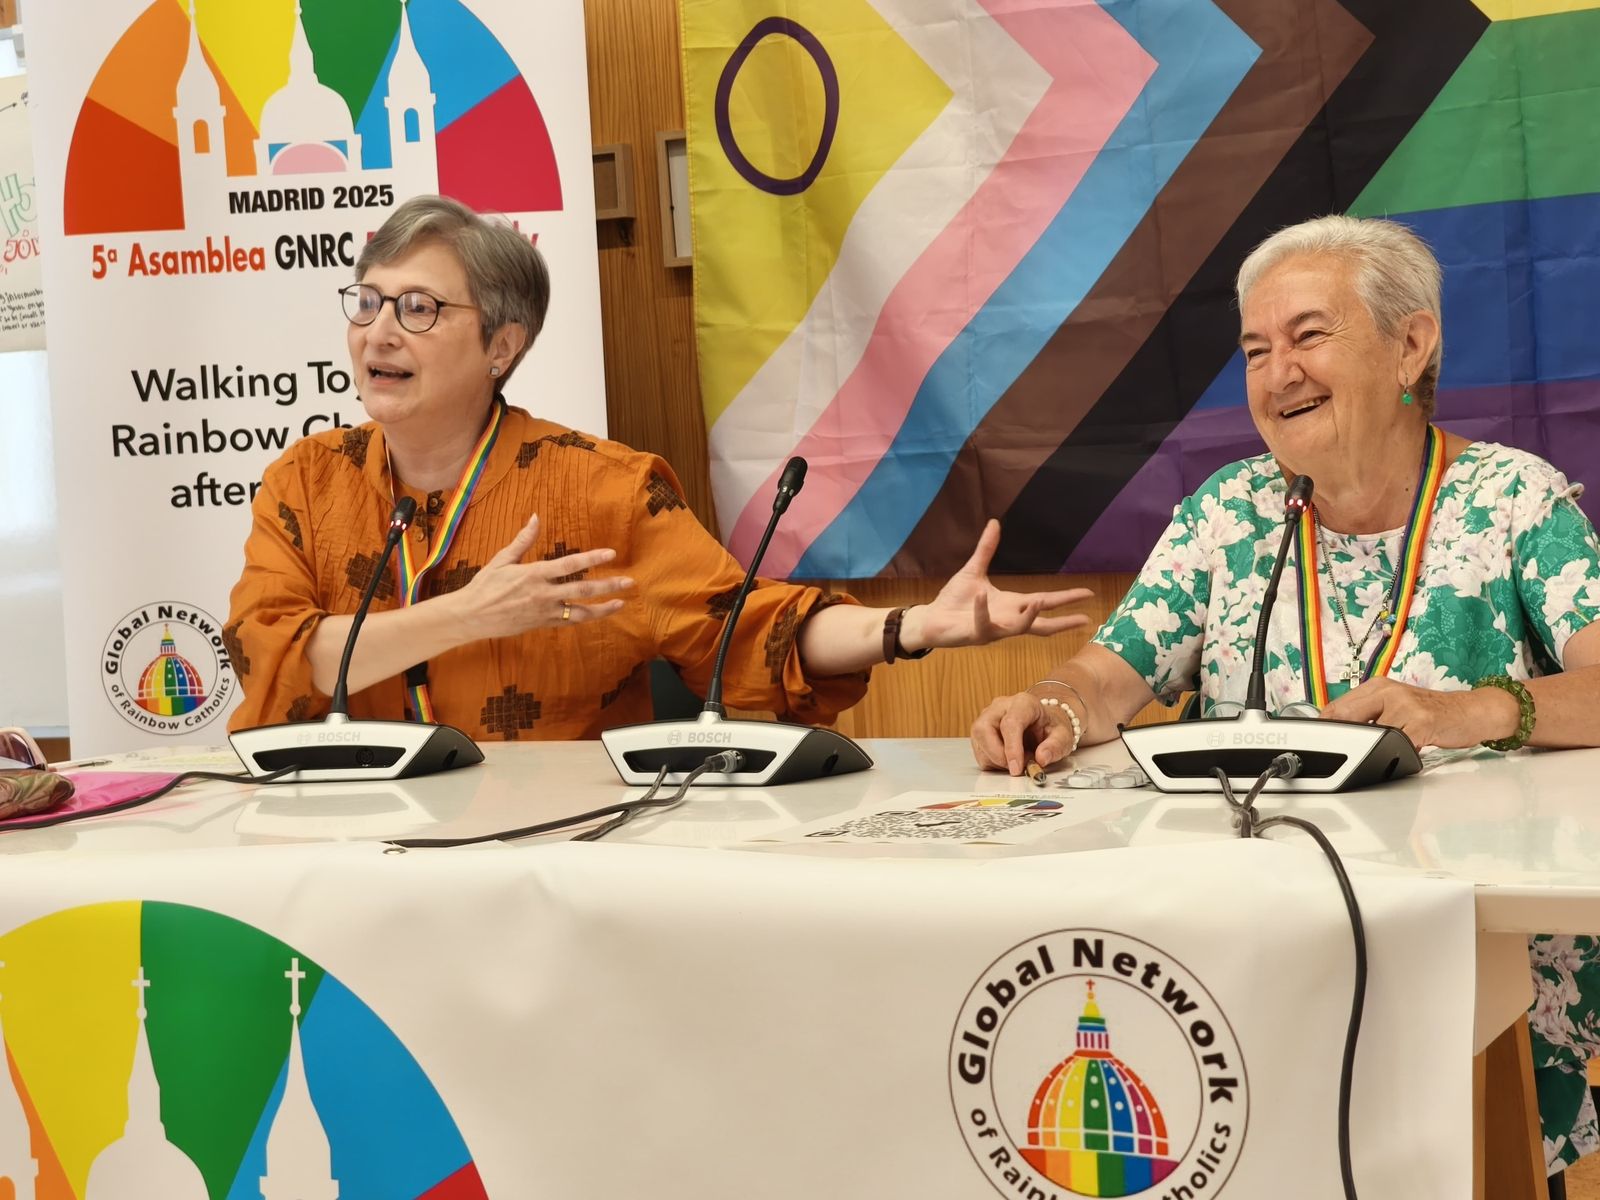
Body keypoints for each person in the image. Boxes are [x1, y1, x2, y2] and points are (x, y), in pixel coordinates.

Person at [969, 214, 1600, 1188]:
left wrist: (1466, 712)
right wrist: (1049, 705)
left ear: (1410, 345)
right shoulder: (1230, 513)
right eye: (1256, 351)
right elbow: (1103, 678)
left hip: (1456, 937)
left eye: (1308, 336)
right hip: (1243, 939)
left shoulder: (1510, 501)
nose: (1278, 375)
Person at [226, 194, 1088, 742]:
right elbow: (272, 655)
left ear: (501, 346)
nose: (378, 332)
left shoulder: (599, 489)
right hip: (347, 846)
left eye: (417, 308)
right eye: (367, 303)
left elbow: (743, 627)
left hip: (549, 856)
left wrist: (910, 628)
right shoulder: (307, 482)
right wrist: (466, 616)